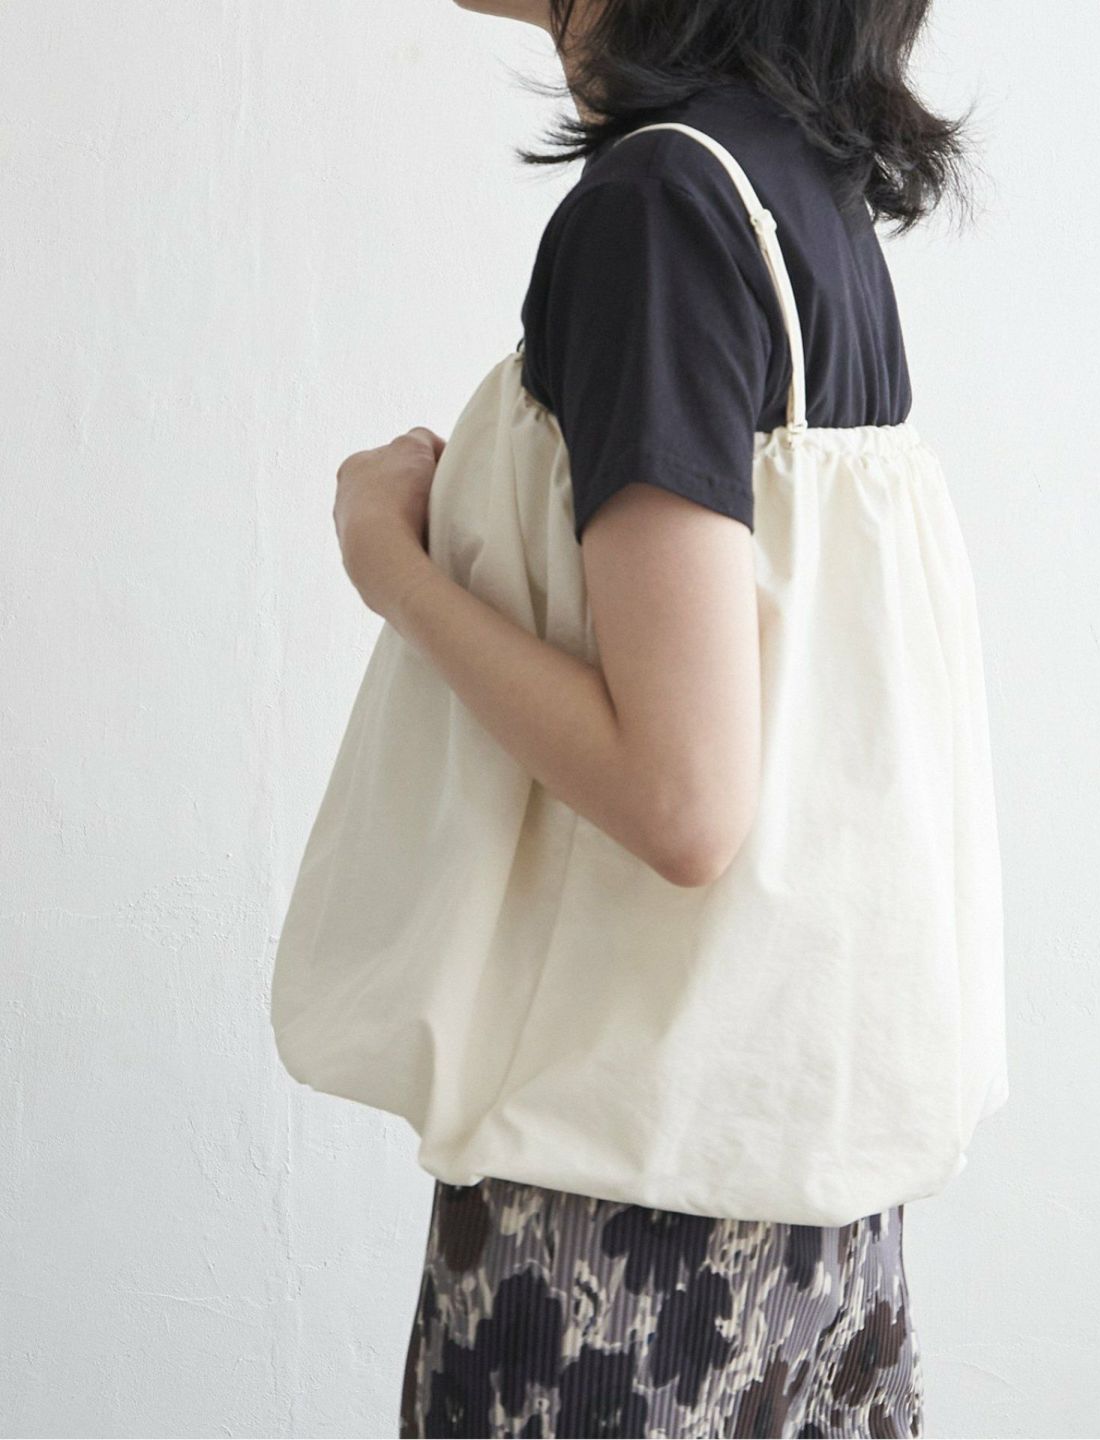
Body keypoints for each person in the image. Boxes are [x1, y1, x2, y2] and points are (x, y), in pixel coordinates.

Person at [281, 1, 1008, 1435]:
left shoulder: (661, 212)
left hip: (619, 1238)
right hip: (801, 1210)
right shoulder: (793, 194)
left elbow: (682, 801)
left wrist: (390, 565)